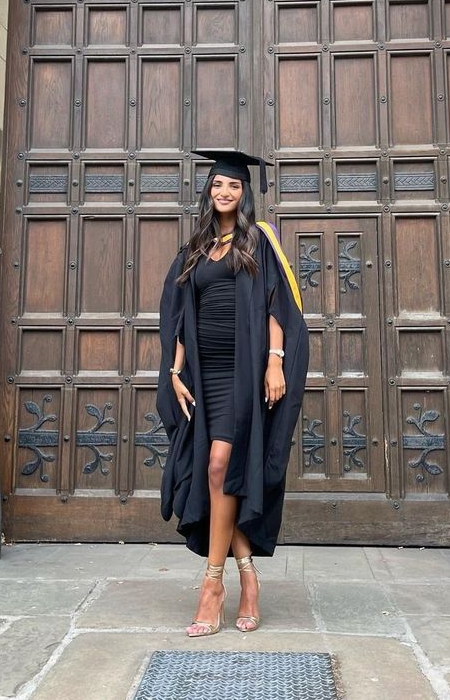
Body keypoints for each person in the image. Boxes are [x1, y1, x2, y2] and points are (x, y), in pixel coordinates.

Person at [157, 149, 309, 637]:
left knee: (221, 464)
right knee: (213, 471)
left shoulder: (259, 241)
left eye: (234, 186)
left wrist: (275, 361)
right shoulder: (196, 247)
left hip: (245, 372)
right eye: (218, 185)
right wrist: (175, 371)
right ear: (209, 191)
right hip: (204, 374)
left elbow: (276, 305)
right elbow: (181, 314)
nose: (225, 193)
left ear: (246, 194)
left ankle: (211, 585)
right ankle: (248, 577)